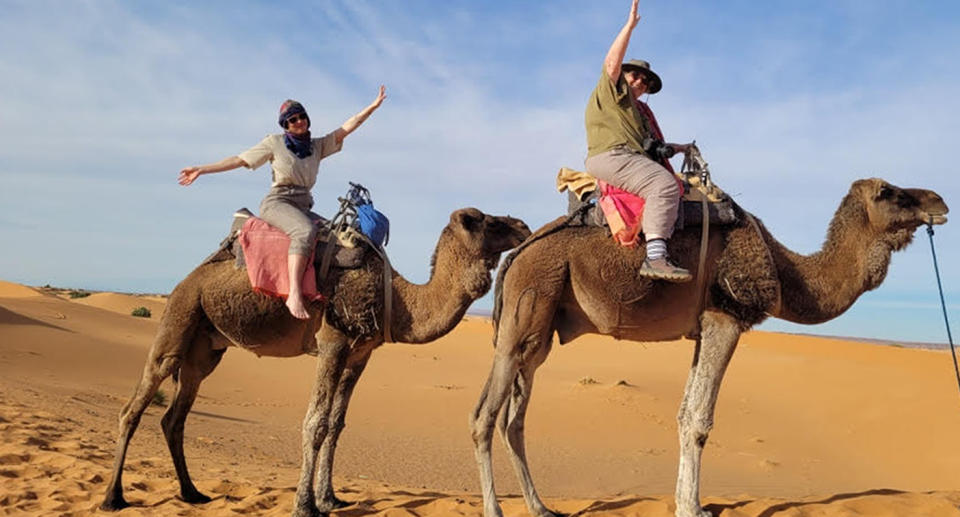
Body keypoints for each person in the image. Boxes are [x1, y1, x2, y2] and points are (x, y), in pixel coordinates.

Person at [179, 86, 387, 319]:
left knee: (340, 235)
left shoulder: (316, 146)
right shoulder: (274, 143)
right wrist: (202, 169)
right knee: (304, 232)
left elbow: (348, 127)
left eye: (301, 117)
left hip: (302, 204)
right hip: (278, 202)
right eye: (291, 120)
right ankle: (294, 294)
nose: (298, 122)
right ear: (285, 125)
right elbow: (239, 160)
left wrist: (373, 106)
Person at [584, 0, 693, 282]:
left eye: (645, 82)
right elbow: (610, 64)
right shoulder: (611, 92)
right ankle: (656, 257)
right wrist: (629, 27)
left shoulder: (638, 113)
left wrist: (678, 148)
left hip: (630, 158)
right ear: (624, 76)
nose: (639, 83)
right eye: (635, 76)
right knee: (664, 185)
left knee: (680, 188)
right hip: (612, 156)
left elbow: (650, 146)